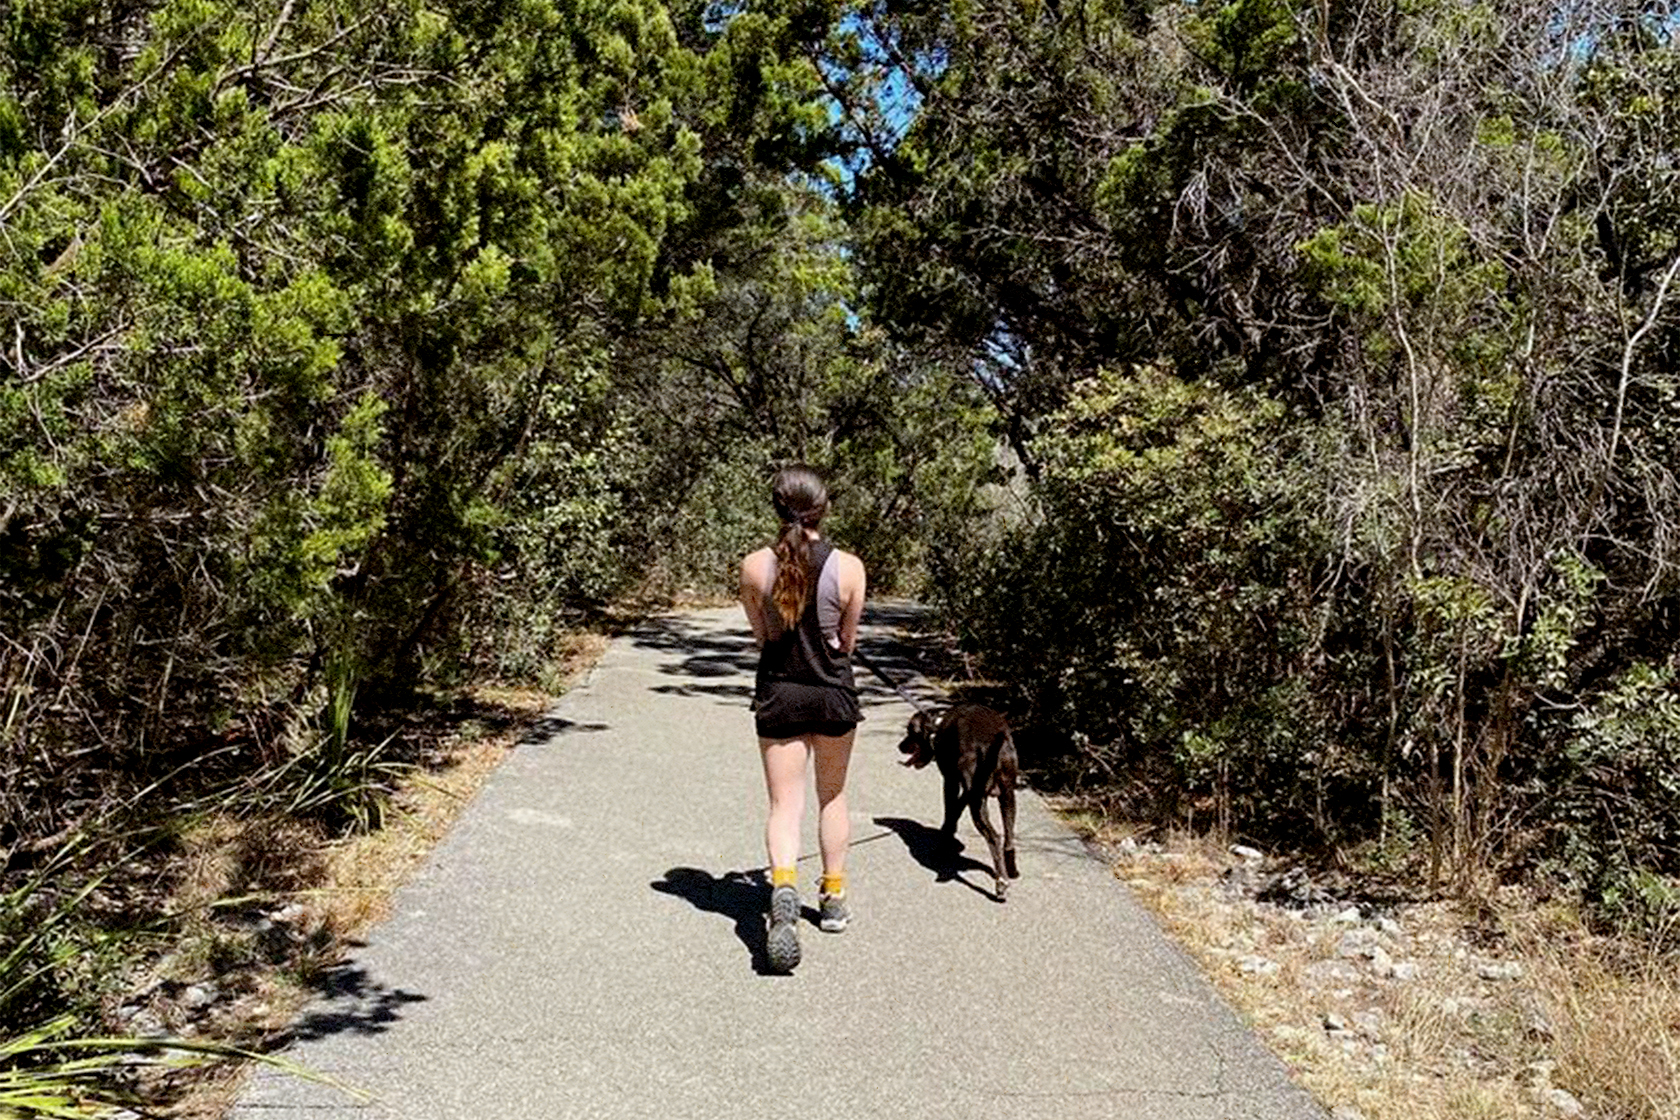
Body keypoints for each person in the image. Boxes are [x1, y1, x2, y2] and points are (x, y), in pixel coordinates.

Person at [738, 464, 867, 973]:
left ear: (776, 508)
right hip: (833, 695)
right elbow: (847, 645)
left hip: (779, 694)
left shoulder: (753, 567)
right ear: (823, 508)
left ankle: (784, 886)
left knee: (783, 806)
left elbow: (763, 638)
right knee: (831, 797)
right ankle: (833, 898)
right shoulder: (850, 568)